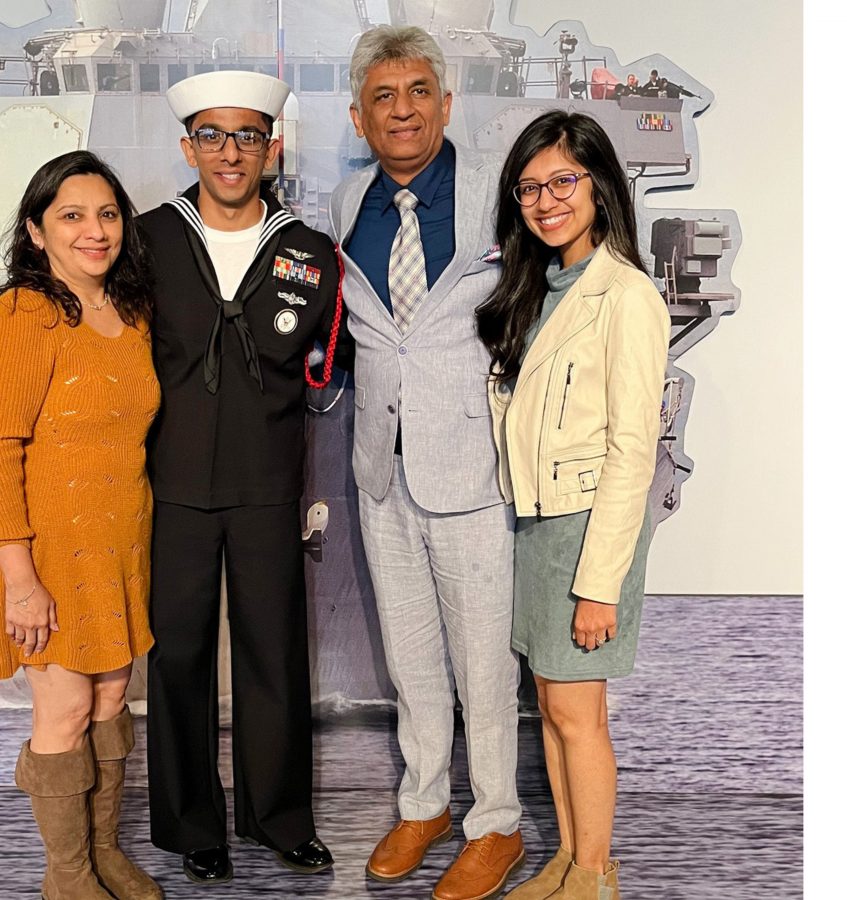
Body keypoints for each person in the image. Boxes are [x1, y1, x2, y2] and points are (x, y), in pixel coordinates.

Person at [330, 25, 525, 900]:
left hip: (473, 467)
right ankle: (424, 803)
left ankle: (497, 823)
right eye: (383, 96)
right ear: (360, 115)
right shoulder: (344, 203)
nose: (401, 110)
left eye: (417, 93)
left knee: (484, 660)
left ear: (446, 103)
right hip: (381, 467)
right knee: (410, 654)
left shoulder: (497, 197)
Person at [139, 70, 349, 884]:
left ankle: (279, 818)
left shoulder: (310, 252)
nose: (231, 153)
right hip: (172, 487)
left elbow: (328, 362)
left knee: (274, 657)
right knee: (180, 661)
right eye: (214, 136)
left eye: (248, 136)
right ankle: (195, 826)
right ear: (188, 146)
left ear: (273, 145)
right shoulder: (147, 237)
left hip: (268, 485)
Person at [475, 111, 669, 900]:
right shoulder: (537, 287)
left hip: (589, 531)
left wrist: (598, 583)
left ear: (599, 185)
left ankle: (594, 875)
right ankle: (566, 858)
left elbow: (633, 450)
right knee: (553, 706)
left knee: (579, 714)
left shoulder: (625, 295)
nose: (546, 200)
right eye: (530, 187)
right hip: (537, 523)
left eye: (562, 181)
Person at [0, 150, 163, 900]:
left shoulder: (133, 311)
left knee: (112, 700)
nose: (94, 231)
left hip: (118, 547)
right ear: (36, 232)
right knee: (68, 706)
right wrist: (20, 580)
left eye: (107, 213)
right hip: (46, 553)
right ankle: (68, 876)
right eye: (71, 216)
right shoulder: (24, 314)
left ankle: (105, 851)